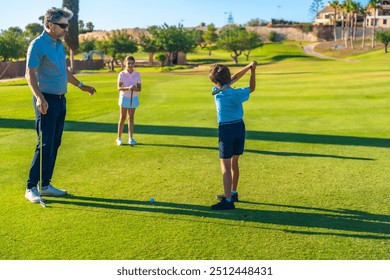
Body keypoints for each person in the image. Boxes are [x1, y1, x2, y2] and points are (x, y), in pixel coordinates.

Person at [24, 7, 97, 204]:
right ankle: (31, 186)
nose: (66, 29)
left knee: (55, 143)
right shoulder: (37, 45)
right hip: (45, 100)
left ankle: (45, 185)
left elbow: (64, 71)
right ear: (49, 24)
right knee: (45, 143)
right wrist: (39, 97)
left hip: (60, 99)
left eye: (67, 25)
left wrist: (82, 86)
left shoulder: (58, 46)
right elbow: (29, 74)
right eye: (63, 25)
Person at [208, 61, 257, 210]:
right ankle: (233, 192)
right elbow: (251, 87)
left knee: (225, 166)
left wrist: (248, 67)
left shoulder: (217, 93)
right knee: (235, 162)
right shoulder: (237, 93)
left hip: (226, 130)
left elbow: (234, 78)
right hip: (239, 128)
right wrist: (251, 70)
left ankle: (228, 200)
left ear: (216, 81)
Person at [116, 56, 142, 146]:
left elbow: (139, 89)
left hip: (133, 97)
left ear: (134, 64)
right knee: (122, 118)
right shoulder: (122, 74)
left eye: (132, 63)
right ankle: (119, 138)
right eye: (128, 63)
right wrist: (128, 88)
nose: (130, 65)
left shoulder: (137, 74)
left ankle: (130, 138)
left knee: (131, 118)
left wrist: (134, 88)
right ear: (125, 64)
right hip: (124, 97)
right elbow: (119, 88)